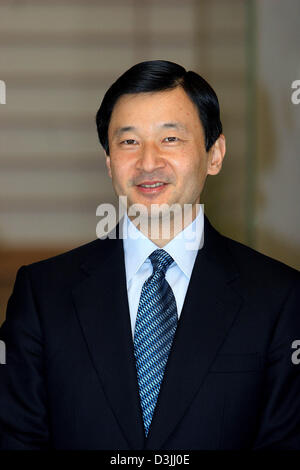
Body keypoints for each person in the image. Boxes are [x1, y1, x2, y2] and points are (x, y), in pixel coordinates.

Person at [0, 60, 299, 450]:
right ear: (109, 162)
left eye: (170, 139)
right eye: (128, 142)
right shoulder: (42, 294)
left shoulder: (279, 297)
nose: (148, 162)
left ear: (215, 153)